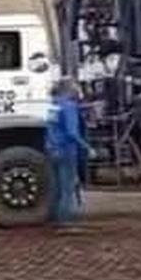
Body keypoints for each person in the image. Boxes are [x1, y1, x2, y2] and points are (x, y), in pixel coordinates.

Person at [46, 78, 90, 226]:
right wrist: (86, 147)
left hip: (53, 149)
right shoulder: (69, 106)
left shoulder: (54, 105)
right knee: (67, 187)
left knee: (58, 187)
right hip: (66, 150)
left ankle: (55, 216)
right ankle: (65, 221)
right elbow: (72, 132)